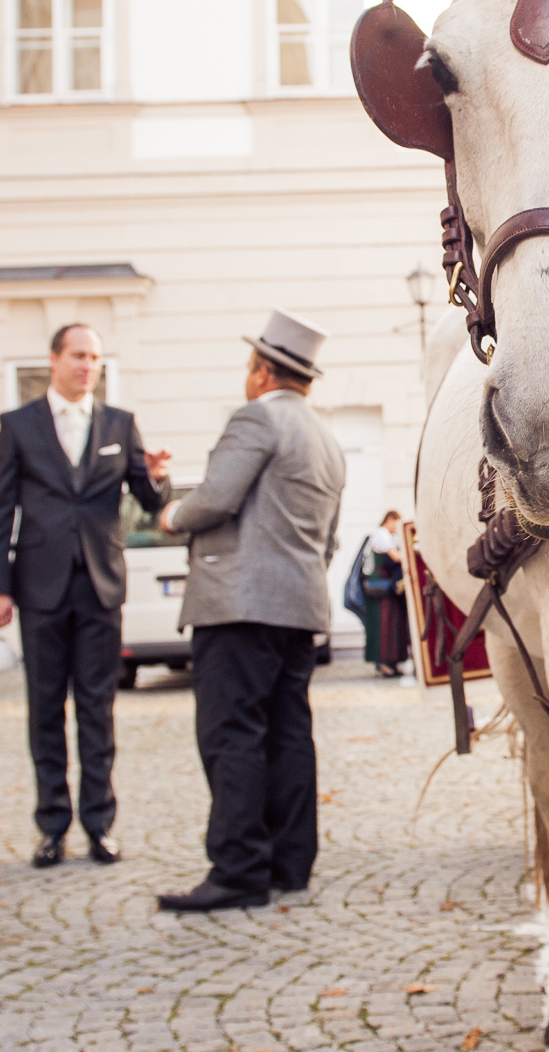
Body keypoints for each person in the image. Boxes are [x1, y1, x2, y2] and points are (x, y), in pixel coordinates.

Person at [153, 309, 346, 912]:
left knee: (231, 733)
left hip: (238, 606)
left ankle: (237, 869)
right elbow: (330, 537)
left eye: (249, 366)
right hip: (299, 604)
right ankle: (290, 863)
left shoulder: (255, 418)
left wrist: (169, 515)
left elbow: (214, 498)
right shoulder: (327, 439)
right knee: (289, 733)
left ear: (264, 372)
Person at [0, 324, 167, 869]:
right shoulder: (17, 427)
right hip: (38, 587)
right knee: (44, 711)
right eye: (78, 356)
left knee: (96, 709)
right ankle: (51, 827)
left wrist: (156, 475)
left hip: (100, 586)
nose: (88, 366)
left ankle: (100, 825)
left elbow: (148, 501)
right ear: (54, 360)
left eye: (95, 359)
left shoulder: (119, 423)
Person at [358, 511, 410, 678]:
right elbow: (395, 557)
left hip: (388, 586)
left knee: (394, 624)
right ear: (390, 520)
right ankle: (382, 663)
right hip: (380, 586)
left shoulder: (388, 536)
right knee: (382, 626)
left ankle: (393, 662)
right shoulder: (381, 534)